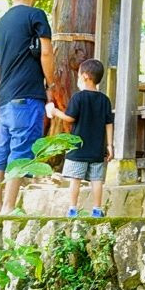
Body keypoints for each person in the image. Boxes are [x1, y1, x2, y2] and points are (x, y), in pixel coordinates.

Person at [0, 0, 53, 215]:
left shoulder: (0, 24)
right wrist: (51, 83)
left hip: (5, 97)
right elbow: (46, 52)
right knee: (21, 150)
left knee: (1, 151)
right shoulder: (35, 15)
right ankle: (8, 208)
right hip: (27, 95)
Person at [46, 58, 114, 218]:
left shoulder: (78, 97)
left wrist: (55, 112)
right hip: (97, 149)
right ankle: (97, 210)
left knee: (75, 179)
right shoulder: (105, 100)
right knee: (97, 180)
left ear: (85, 76)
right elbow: (109, 123)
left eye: (78, 76)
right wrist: (110, 145)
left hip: (78, 148)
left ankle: (72, 209)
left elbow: (70, 118)